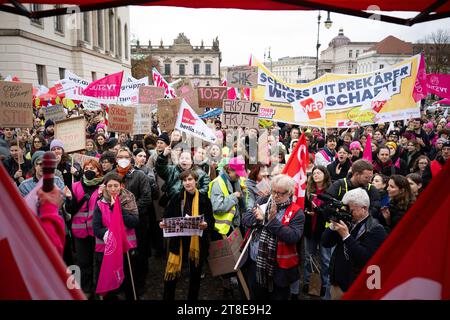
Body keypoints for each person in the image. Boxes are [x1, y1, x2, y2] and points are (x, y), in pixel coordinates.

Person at [242, 174, 305, 300]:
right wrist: (259, 219)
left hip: (280, 269)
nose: (275, 196)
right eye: (274, 191)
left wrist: (269, 220)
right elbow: (246, 219)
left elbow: (293, 237)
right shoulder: (263, 200)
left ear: (289, 193)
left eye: (280, 193)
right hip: (256, 264)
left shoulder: (297, 212)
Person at [321, 188, 387, 300]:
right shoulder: (348, 221)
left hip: (355, 289)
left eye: (350, 210)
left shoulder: (375, 229)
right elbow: (325, 243)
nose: (347, 213)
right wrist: (333, 226)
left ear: (364, 208)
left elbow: (365, 259)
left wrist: (346, 236)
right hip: (337, 284)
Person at [159, 170, 214, 300]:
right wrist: (163, 223)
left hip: (197, 243)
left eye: (190, 179)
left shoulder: (204, 199)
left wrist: (206, 224)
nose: (187, 182)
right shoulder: (176, 198)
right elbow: (167, 216)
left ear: (196, 181)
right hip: (178, 242)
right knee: (171, 275)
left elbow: (211, 220)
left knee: (195, 276)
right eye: (184, 180)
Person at [92, 172, 139, 300]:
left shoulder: (128, 198)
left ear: (121, 186)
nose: (113, 189)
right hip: (107, 248)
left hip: (126, 246)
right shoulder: (100, 203)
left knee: (129, 278)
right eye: (110, 186)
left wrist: (118, 209)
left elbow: (134, 221)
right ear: (105, 187)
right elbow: (95, 227)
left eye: (116, 186)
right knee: (110, 279)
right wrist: (106, 233)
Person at [112, 147, 152, 295]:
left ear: (131, 159)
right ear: (116, 160)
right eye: (120, 157)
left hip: (138, 222)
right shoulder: (113, 176)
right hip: (118, 223)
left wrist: (131, 211)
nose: (123, 159)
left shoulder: (139, 176)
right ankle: (123, 282)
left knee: (139, 254)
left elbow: (146, 198)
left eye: (126, 157)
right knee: (122, 254)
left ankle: (139, 283)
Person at [64, 159, 104, 298]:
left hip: (97, 231)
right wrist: (69, 199)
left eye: (93, 168)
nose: (89, 170)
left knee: (100, 261)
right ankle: (86, 289)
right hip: (80, 231)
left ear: (98, 171)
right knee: (83, 262)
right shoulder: (75, 186)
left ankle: (101, 289)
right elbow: (70, 210)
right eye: (86, 167)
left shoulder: (103, 187)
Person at [303, 166, 332, 299]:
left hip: (324, 229)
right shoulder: (308, 191)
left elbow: (330, 211)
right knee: (309, 256)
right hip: (310, 228)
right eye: (314, 173)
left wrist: (320, 212)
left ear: (325, 175)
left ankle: (325, 284)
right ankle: (309, 282)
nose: (315, 175)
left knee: (326, 259)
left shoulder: (330, 191)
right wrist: (307, 212)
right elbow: (303, 206)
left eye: (318, 173)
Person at [208, 157, 247, 236]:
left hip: (234, 226)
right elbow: (217, 207)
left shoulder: (236, 181)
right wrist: (234, 197)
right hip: (221, 230)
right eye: (237, 174)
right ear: (229, 170)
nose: (239, 176)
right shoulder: (217, 183)